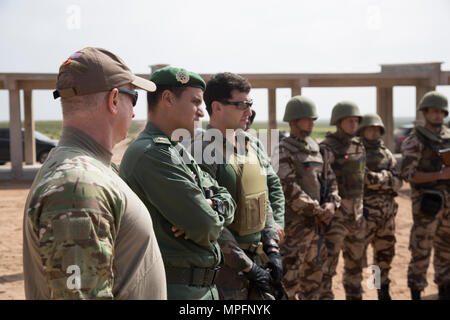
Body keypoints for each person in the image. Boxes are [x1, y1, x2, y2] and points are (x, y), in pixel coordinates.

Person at [22, 47, 167, 299]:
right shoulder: (79, 185)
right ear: (113, 100)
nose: (134, 112)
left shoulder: (86, 171)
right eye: (133, 98)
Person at [119, 66, 236, 300]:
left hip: (197, 289)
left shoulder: (176, 150)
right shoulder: (152, 153)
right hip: (175, 289)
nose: (201, 113)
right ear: (168, 99)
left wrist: (211, 205)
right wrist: (205, 211)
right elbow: (205, 225)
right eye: (195, 102)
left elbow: (228, 200)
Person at [191, 72, 282, 300]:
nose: (248, 112)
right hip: (225, 274)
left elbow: (263, 196)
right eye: (241, 104)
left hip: (258, 261)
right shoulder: (202, 151)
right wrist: (248, 266)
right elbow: (209, 221)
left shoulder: (251, 145)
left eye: (249, 104)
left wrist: (272, 246)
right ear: (217, 107)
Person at [273, 96, 341, 300]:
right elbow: (287, 188)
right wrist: (318, 211)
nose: (312, 123)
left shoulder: (317, 149)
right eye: (307, 119)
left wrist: (332, 203)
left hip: (318, 230)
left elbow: (331, 180)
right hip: (295, 231)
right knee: (288, 283)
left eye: (313, 119)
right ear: (293, 121)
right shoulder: (282, 150)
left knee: (314, 283)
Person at [400, 91, 450, 300]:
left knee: (446, 252)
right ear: (425, 113)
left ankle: (445, 292)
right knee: (421, 252)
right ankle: (416, 293)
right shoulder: (415, 140)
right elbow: (407, 174)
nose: (437, 116)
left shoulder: (447, 136)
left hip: (448, 204)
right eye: (433, 111)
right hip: (427, 205)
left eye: (441, 112)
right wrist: (440, 174)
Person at [319, 101, 366, 300]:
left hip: (357, 216)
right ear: (338, 122)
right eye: (350, 121)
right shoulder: (326, 148)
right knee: (327, 267)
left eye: (356, 121)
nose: (354, 125)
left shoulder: (359, 146)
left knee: (356, 265)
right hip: (336, 218)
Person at [358, 113, 402, 300]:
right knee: (357, 259)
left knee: (383, 257)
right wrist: (386, 179)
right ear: (363, 131)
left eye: (377, 130)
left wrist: (380, 179)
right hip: (365, 216)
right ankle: (357, 292)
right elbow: (364, 178)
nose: (374, 133)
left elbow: (399, 181)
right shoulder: (357, 152)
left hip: (387, 217)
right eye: (370, 129)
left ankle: (379, 290)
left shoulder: (387, 153)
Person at [245, 109, 286, 243]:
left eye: (249, 121)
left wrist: (277, 222)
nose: (247, 122)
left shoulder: (255, 144)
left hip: (267, 232)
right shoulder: (208, 148)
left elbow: (273, 184)